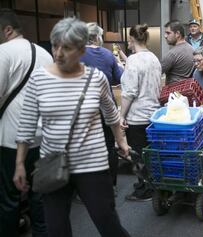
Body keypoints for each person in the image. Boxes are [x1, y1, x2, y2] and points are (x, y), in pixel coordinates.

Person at [13, 17, 130, 237]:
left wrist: (121, 141)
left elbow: (111, 114)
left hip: (93, 165)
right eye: (55, 45)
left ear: (82, 49)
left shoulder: (96, 78)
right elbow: (27, 124)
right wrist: (20, 163)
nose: (58, 53)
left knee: (107, 223)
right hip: (53, 163)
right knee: (56, 229)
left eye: (66, 48)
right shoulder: (39, 79)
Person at [0, 8, 53, 237]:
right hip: (43, 138)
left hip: (12, 140)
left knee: (9, 198)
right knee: (40, 197)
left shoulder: (3, 52)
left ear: (7, 30)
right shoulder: (45, 54)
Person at [80, 22, 124, 195]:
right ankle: (110, 186)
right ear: (98, 37)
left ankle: (89, 188)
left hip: (84, 109)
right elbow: (118, 79)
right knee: (109, 146)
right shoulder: (107, 54)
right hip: (106, 107)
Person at [120, 24, 161, 201]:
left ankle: (145, 190)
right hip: (152, 113)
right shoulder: (154, 58)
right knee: (149, 153)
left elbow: (129, 92)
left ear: (131, 40)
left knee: (137, 155)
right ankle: (150, 184)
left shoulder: (133, 61)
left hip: (137, 116)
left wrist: (121, 115)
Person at [162, 20, 194, 85]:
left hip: (173, 92)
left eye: (168, 33)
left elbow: (157, 72)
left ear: (177, 34)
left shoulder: (172, 54)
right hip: (186, 91)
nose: (165, 36)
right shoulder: (192, 49)